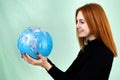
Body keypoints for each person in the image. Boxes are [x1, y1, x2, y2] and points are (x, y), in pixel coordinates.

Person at [22, 3, 118, 80]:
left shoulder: (103, 52)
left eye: (82, 22)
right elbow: (67, 77)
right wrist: (44, 62)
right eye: (76, 21)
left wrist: (46, 65)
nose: (77, 26)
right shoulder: (87, 49)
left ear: (95, 22)